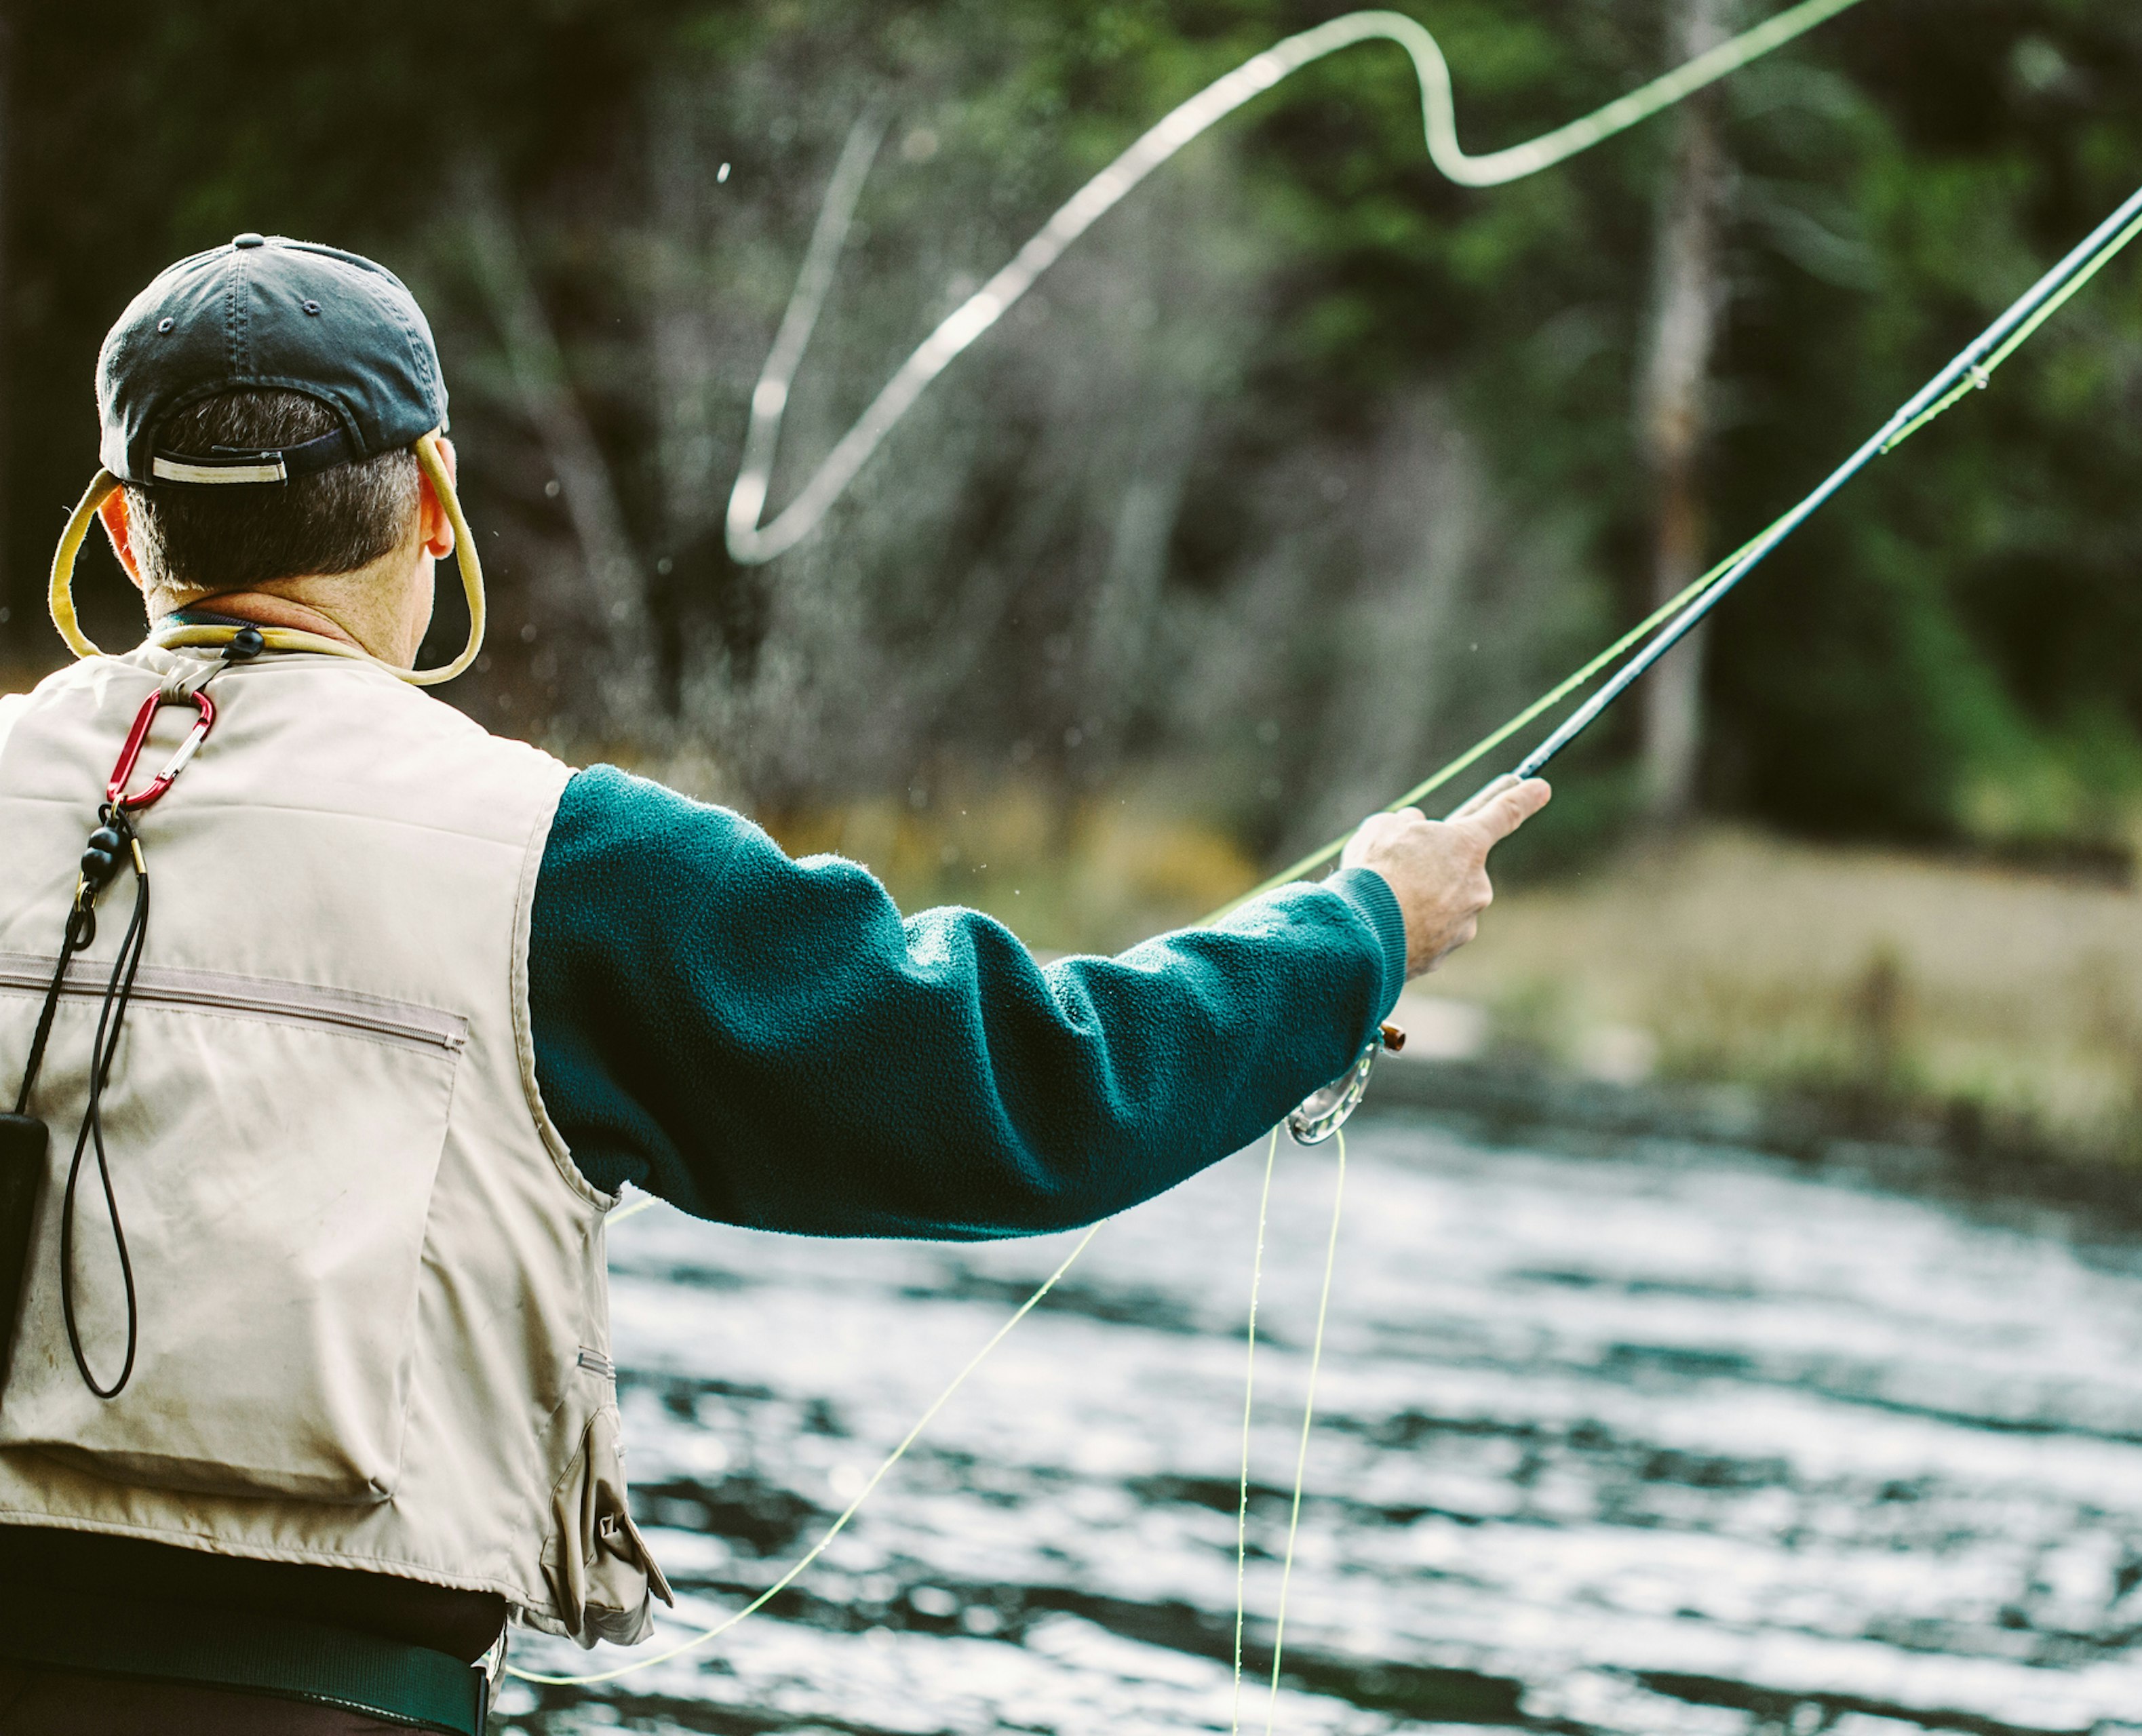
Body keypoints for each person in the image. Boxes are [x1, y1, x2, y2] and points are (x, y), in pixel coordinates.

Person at [0, 234, 1549, 1734]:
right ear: (435, 504)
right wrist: (1358, 932)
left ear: (129, 533)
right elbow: (1043, 1084)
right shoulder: (572, 863)